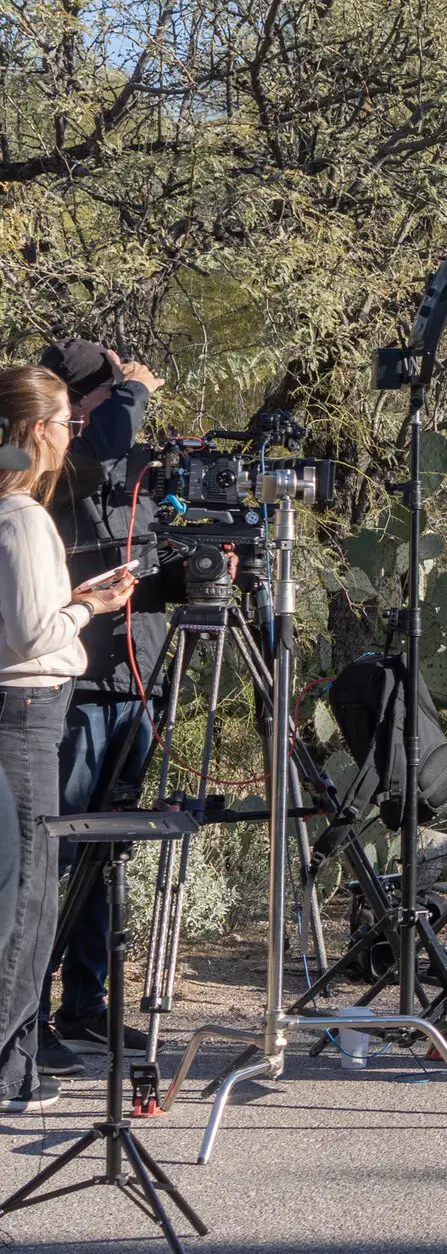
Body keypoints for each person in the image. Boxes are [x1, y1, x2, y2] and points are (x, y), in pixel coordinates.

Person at [0, 365, 136, 1113]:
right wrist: (89, 609)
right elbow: (32, 635)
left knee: (19, 889)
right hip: (26, 712)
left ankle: (15, 1060)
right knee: (28, 897)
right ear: (37, 431)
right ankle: (7, 1067)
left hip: (20, 709)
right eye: (68, 426)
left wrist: (75, 601)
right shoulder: (21, 517)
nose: (70, 438)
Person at [35, 341, 166, 1075]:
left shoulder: (133, 458)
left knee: (107, 853)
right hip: (76, 685)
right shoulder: (43, 461)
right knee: (53, 851)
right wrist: (132, 392)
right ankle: (25, 1015)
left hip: (137, 681)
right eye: (107, 392)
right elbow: (98, 447)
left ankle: (84, 1004)